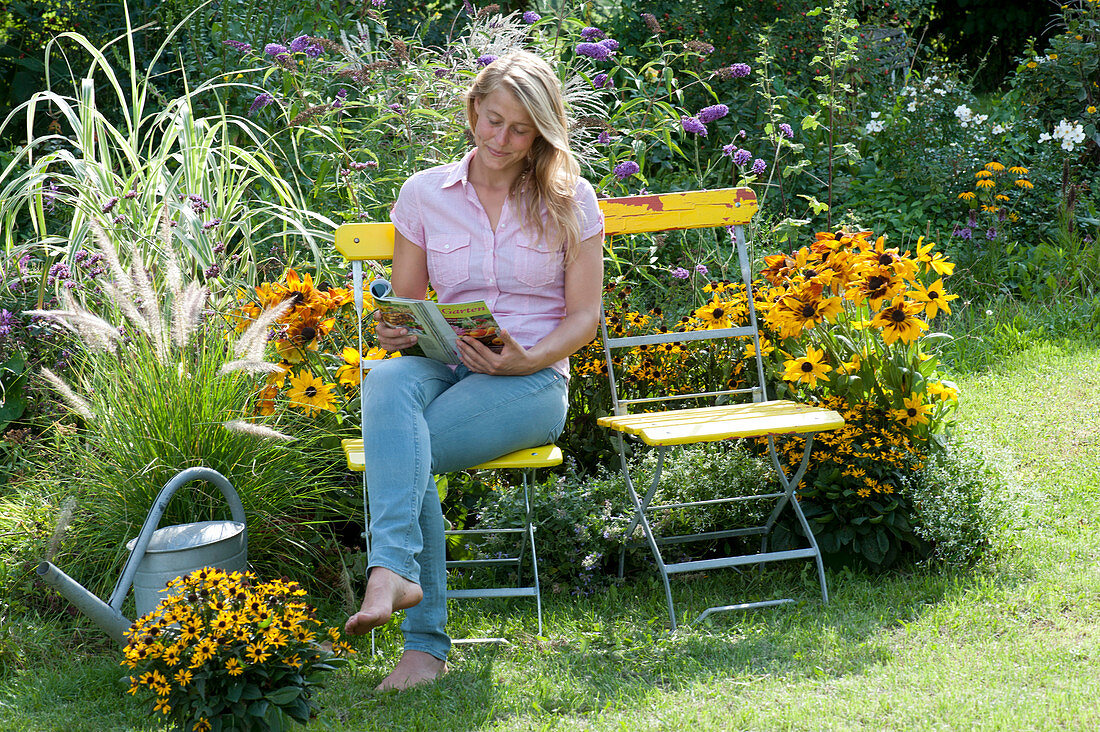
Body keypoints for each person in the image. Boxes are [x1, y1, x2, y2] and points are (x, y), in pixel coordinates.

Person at [343, 50, 605, 691]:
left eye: (520, 130)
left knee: (408, 446)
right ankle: (400, 584)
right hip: (445, 365)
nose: (502, 140)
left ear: (542, 132)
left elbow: (585, 317)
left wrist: (530, 357)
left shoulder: (571, 200)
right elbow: (404, 305)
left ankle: (415, 628)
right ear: (472, 113)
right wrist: (394, 327)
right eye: (492, 122)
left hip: (531, 382)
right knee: (384, 378)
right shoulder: (425, 194)